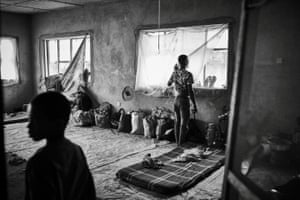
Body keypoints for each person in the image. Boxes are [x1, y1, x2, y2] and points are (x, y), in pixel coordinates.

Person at [25, 91, 96, 200]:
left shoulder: (38, 162)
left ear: (58, 124)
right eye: (29, 119)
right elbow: (89, 191)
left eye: (35, 119)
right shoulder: (76, 150)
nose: (28, 125)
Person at [168, 54, 197, 146]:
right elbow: (190, 91)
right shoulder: (188, 75)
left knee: (177, 122)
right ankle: (180, 144)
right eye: (187, 60)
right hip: (184, 100)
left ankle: (177, 143)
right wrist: (194, 104)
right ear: (185, 62)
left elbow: (168, 84)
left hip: (176, 100)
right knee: (184, 123)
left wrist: (174, 72)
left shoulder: (174, 73)